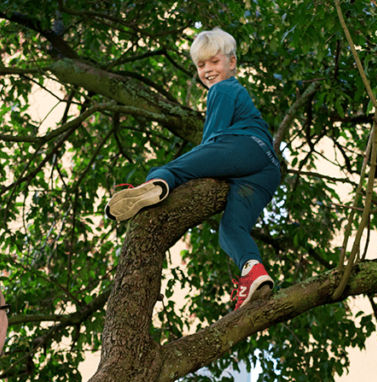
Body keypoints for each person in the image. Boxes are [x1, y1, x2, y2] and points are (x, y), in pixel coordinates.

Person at [105, 28, 281, 312]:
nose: (208, 70)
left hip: (245, 147)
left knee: (177, 165)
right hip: (268, 170)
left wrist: (192, 164)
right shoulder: (234, 91)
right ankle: (254, 272)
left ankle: (157, 181)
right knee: (231, 229)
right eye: (201, 65)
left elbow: (213, 140)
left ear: (232, 63)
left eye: (214, 62)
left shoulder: (223, 89)